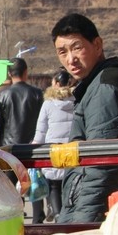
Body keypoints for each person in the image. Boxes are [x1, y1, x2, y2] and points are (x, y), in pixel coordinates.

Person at [52, 13, 118, 223]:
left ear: (97, 45)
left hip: (101, 214)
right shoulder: (109, 80)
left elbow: (102, 165)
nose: (70, 59)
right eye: (62, 52)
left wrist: (81, 224)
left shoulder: (104, 89)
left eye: (77, 47)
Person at [30, 69, 75, 223]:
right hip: (73, 151)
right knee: (69, 185)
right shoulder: (77, 101)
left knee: (54, 186)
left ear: (55, 83)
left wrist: (34, 148)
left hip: (54, 151)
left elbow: (41, 130)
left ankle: (58, 215)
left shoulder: (48, 104)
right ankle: (69, 216)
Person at [0, 57, 44, 147]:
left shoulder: (0, 96)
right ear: (26, 72)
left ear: (9, 74)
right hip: (32, 146)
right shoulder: (37, 94)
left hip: (8, 147)